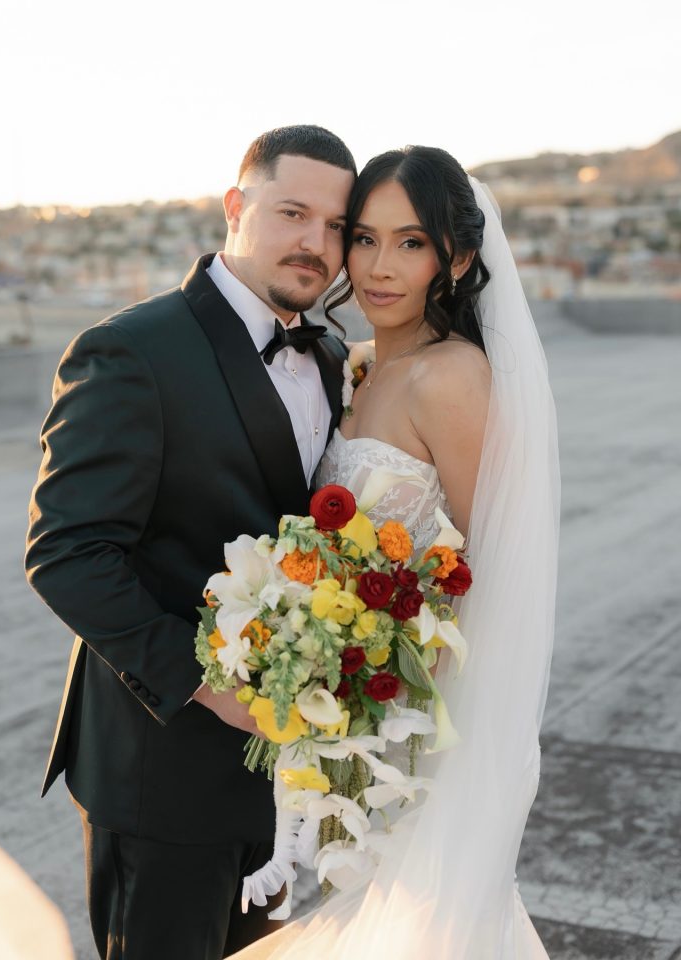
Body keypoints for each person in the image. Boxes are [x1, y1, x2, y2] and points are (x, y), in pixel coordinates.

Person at [24, 125, 356, 960]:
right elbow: (67, 552)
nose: (314, 243)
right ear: (236, 207)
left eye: (335, 226)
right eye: (292, 212)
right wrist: (208, 689)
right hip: (159, 769)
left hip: (279, 782)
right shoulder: (132, 349)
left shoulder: (336, 359)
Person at [228, 147, 560, 959]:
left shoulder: (452, 377)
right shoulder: (368, 366)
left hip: (420, 725)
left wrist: (403, 705)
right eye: (364, 238)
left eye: (410, 243)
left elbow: (495, 569)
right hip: (363, 718)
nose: (378, 267)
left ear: (459, 257)